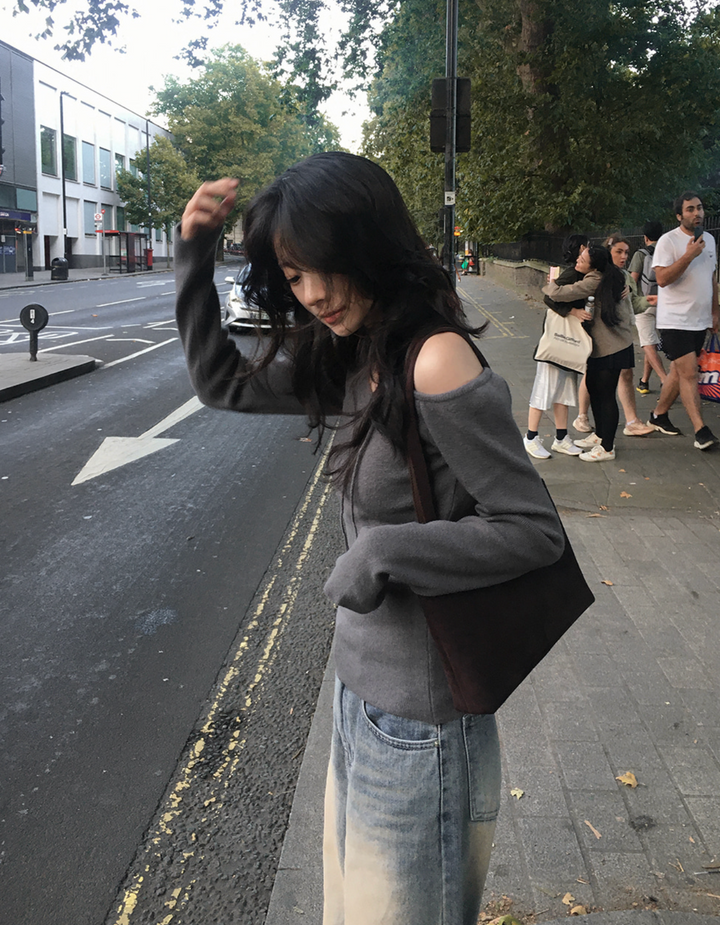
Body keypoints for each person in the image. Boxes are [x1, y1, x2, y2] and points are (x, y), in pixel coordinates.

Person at [174, 153, 565, 925]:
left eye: (326, 268)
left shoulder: (435, 359)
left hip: (423, 725)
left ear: (370, 247)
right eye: (294, 274)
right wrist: (193, 257)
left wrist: (385, 552)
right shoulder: (356, 354)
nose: (313, 293)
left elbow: (532, 530)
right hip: (360, 701)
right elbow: (222, 383)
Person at [544, 245, 633, 461]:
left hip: (612, 346)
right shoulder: (613, 275)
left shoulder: (594, 280)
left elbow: (558, 293)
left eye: (582, 260)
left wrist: (551, 282)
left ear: (593, 267)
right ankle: (600, 435)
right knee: (594, 388)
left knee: (606, 395)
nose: (577, 261)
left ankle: (607, 448)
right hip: (603, 345)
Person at [648, 191, 719, 450]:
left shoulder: (709, 239)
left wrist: (715, 311)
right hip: (674, 320)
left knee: (678, 372)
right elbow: (662, 279)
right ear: (679, 215)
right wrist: (688, 255)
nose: (697, 213)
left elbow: (712, 278)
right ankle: (701, 431)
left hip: (699, 320)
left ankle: (658, 415)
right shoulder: (668, 241)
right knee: (690, 373)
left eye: (699, 208)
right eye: (690, 209)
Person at [571, 236, 654, 437]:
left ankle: (630, 421)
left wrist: (649, 301)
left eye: (627, 252)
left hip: (619, 336)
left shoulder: (624, 276)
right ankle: (583, 417)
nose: (624, 256)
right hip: (599, 337)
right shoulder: (594, 275)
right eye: (619, 251)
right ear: (607, 253)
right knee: (595, 379)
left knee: (624, 374)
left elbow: (632, 305)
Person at [524, 234, 588, 459]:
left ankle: (561, 437)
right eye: (588, 247)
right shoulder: (572, 274)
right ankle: (531, 437)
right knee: (544, 388)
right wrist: (572, 311)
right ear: (582, 248)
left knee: (564, 391)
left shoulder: (582, 274)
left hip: (568, 343)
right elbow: (549, 297)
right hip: (557, 342)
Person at [628, 220, 667, 394]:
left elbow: (632, 280)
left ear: (645, 237)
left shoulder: (641, 254)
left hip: (645, 303)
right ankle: (644, 381)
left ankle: (665, 380)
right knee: (650, 342)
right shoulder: (667, 252)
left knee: (648, 344)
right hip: (665, 302)